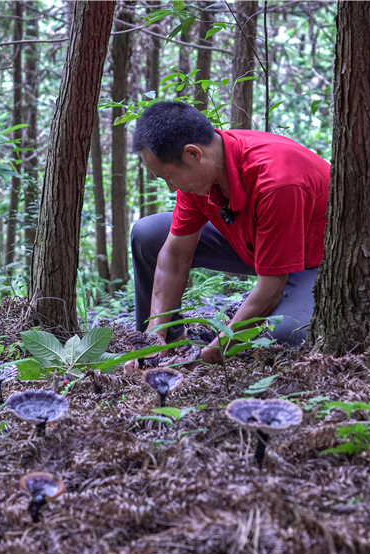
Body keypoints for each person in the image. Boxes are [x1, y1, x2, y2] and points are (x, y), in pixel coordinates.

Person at [128, 100, 329, 367]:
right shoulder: (201, 174)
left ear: (193, 154)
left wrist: (212, 353)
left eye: (168, 177)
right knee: (148, 234)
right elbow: (175, 255)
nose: (169, 188)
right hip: (254, 243)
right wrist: (156, 332)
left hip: (311, 262)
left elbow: (270, 288)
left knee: (287, 334)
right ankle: (164, 346)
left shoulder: (277, 183)